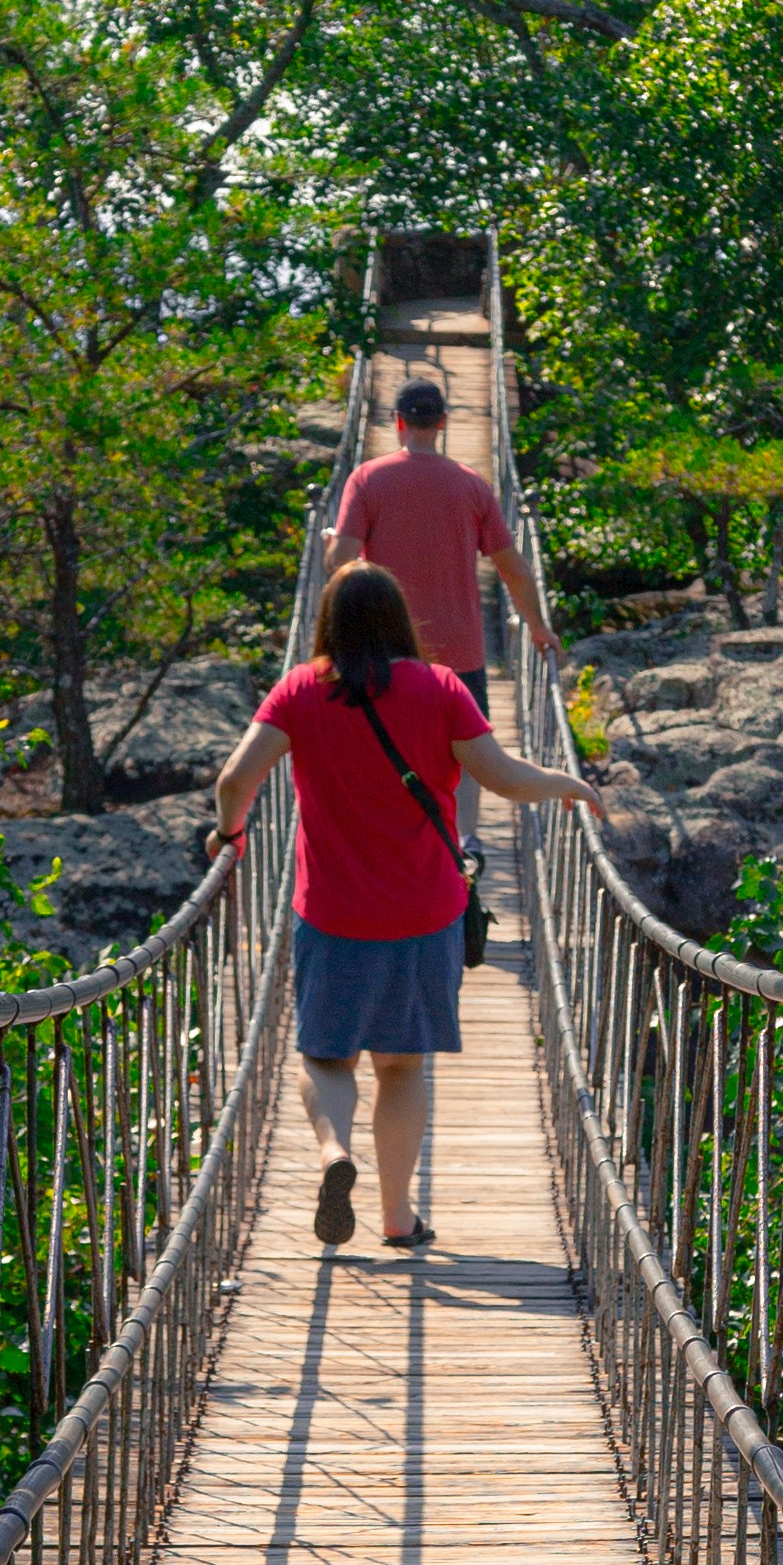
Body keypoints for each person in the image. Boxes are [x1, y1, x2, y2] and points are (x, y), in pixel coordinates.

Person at [208, 564, 596, 1247]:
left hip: (331, 914)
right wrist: (566, 781)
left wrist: (231, 835)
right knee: (401, 1065)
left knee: (327, 1058)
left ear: (327, 622)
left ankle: (335, 1153)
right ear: (399, 620)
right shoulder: (440, 688)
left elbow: (236, 777)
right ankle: (395, 1215)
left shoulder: (302, 690)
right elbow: (501, 777)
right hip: (424, 914)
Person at [327, 375, 556, 711]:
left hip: (387, 650)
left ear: (398, 421)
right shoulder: (473, 486)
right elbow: (514, 569)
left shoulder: (366, 479)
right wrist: (539, 629)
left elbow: (340, 563)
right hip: (459, 656)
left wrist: (331, 544)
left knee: (391, 758)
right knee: (465, 759)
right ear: (442, 422)